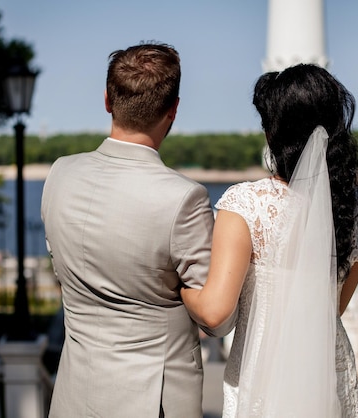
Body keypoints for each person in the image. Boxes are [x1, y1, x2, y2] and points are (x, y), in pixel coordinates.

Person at [41, 41, 235, 418]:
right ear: (173, 110)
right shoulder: (184, 198)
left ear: (107, 100)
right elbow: (217, 319)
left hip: (73, 393)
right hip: (152, 401)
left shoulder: (59, 172)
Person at [181, 63, 358, 417]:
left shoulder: (246, 204)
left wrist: (177, 285)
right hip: (327, 370)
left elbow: (215, 311)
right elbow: (333, 309)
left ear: (274, 134)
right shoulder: (357, 215)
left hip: (263, 373)